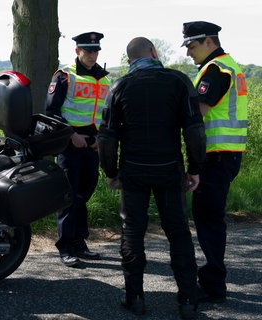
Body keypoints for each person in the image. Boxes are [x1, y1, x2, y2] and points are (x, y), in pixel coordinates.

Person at [98, 37, 206, 319]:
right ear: (154, 52)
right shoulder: (179, 82)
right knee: (178, 232)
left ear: (130, 59)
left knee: (132, 231)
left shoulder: (119, 86)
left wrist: (111, 172)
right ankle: (188, 301)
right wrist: (195, 168)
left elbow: (107, 137)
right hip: (169, 169)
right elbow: (194, 131)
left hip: (133, 170)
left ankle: (134, 298)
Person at [181, 21, 248, 304]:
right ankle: (213, 280)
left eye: (192, 46)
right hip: (226, 154)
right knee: (210, 218)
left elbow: (199, 110)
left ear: (209, 42)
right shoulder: (230, 66)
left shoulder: (216, 70)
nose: (188, 53)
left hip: (216, 155)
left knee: (208, 220)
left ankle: (212, 285)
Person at [45, 31, 111, 268]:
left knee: (84, 196)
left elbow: (107, 115)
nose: (93, 55)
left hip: (92, 146)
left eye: (96, 51)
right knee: (69, 197)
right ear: (77, 51)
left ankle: (80, 243)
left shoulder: (105, 79)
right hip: (70, 145)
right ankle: (65, 247)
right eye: (88, 51)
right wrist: (71, 135)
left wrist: (99, 139)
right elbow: (51, 112)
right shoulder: (64, 76)